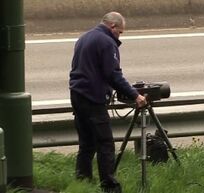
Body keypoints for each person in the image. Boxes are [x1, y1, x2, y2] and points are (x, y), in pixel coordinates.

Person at [69, 12, 146, 193]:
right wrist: (135, 95)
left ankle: (82, 180)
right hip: (92, 99)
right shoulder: (106, 42)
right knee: (105, 143)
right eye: (120, 32)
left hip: (77, 94)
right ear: (112, 27)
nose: (119, 36)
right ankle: (110, 186)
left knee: (86, 143)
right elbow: (112, 74)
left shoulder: (85, 37)